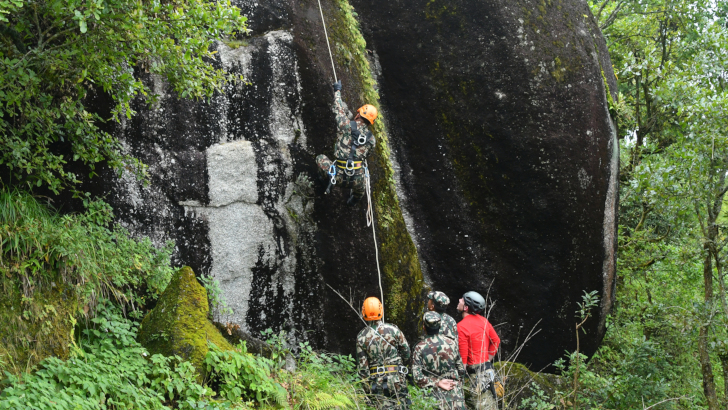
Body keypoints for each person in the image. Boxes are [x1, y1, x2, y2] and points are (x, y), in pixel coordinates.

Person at [315, 80, 378, 205]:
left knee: (320, 158)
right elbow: (366, 155)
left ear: (358, 114)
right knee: (359, 192)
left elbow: (338, 108)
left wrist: (337, 90)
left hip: (337, 175)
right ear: (370, 121)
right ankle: (352, 202)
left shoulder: (346, 125)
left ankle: (324, 182)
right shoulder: (371, 139)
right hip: (357, 180)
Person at [356, 297, 411, 409]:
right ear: (381, 310)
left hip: (378, 382)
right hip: (397, 378)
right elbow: (407, 353)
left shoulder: (361, 337)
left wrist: (368, 391)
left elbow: (363, 369)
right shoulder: (394, 330)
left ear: (364, 312)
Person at [412, 311, 466, 410]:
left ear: (424, 326)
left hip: (433, 398)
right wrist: (457, 385)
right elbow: (461, 370)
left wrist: (437, 383)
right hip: (455, 396)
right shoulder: (452, 343)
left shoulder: (420, 347)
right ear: (440, 326)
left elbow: (416, 376)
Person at [456, 291, 501, 410]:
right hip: (488, 370)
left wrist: (459, 380)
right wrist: (487, 359)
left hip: (475, 376)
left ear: (466, 307)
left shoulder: (461, 327)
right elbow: (496, 341)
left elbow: (463, 358)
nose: (459, 300)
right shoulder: (483, 321)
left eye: (462, 299)